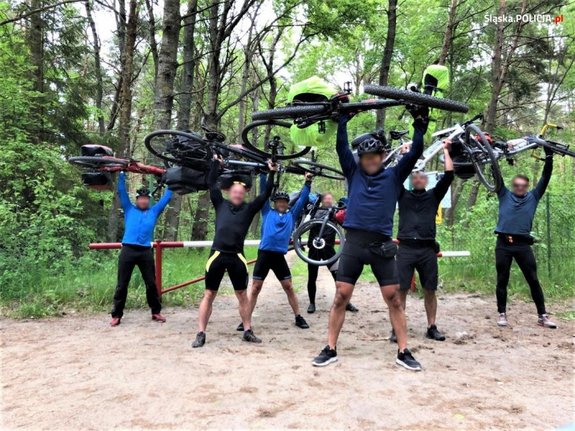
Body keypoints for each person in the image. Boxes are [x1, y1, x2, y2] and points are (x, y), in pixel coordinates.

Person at [312, 105, 429, 370]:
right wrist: (342, 121)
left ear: (382, 155)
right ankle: (330, 348)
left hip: (380, 246)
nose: (371, 160)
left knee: (394, 298)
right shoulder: (353, 174)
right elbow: (342, 148)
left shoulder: (394, 175)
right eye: (366, 157)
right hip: (354, 244)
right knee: (341, 296)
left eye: (375, 156)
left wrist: (419, 126)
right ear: (361, 159)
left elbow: (416, 153)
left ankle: (403, 351)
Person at [192, 157, 276, 348]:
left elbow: (265, 195)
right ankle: (201, 333)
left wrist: (271, 172)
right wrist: (214, 164)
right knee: (209, 294)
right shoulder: (220, 203)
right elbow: (211, 183)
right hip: (217, 255)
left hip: (237, 256)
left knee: (242, 295)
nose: (237, 194)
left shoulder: (249, 209)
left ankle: (247, 330)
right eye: (234, 191)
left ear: (244, 193)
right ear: (229, 192)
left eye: (240, 192)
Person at [239, 173, 313, 343]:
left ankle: (298, 316)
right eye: (279, 201)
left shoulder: (291, 215)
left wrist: (307, 181)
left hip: (279, 256)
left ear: (287, 204)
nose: (281, 204)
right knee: (256, 287)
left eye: (284, 202)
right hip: (264, 254)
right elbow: (264, 191)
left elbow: (302, 199)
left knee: (288, 286)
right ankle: (245, 321)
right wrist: (266, 173)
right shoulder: (267, 211)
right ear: (274, 203)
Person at [393, 140, 454, 343]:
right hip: (406, 248)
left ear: (426, 180)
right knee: (401, 290)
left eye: (422, 176)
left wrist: (446, 150)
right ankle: (397, 328)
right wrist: (403, 155)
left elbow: (449, 176)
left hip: (427, 250)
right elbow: (396, 176)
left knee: (430, 289)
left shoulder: (434, 195)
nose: (418, 179)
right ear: (412, 179)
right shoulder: (402, 195)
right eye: (415, 176)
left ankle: (431, 326)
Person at [494, 146, 557, 329]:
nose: (519, 188)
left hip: (522, 245)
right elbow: (496, 175)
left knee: (533, 279)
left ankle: (542, 316)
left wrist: (549, 155)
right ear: (513, 186)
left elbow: (545, 177)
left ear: (527, 187)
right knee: (502, 279)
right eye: (517, 185)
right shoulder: (504, 194)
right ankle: (502, 314)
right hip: (503, 244)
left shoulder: (533, 197)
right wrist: (493, 156)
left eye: (523, 185)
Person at [110, 172, 173, 326]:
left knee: (151, 283)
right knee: (122, 284)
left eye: (146, 199)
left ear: (149, 200)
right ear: (137, 200)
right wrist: (122, 174)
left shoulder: (154, 211)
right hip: (128, 250)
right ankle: (117, 314)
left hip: (145, 251)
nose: (144, 201)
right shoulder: (129, 208)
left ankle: (156, 311)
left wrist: (171, 181)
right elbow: (122, 192)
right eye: (141, 199)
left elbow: (166, 198)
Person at [306, 192, 358, 314]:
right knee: (312, 277)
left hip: (329, 250)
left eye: (331, 199)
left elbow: (345, 224)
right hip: (315, 249)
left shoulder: (334, 212)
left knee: (339, 277)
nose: (329, 201)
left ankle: (346, 303)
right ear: (322, 201)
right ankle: (312, 303)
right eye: (327, 199)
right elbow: (305, 225)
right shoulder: (315, 212)